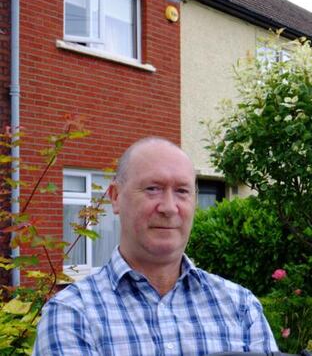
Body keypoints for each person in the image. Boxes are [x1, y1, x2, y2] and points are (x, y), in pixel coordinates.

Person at [34, 137, 279, 355]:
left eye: (182, 191)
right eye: (153, 189)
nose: (169, 207)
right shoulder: (71, 315)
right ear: (115, 197)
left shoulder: (241, 306)